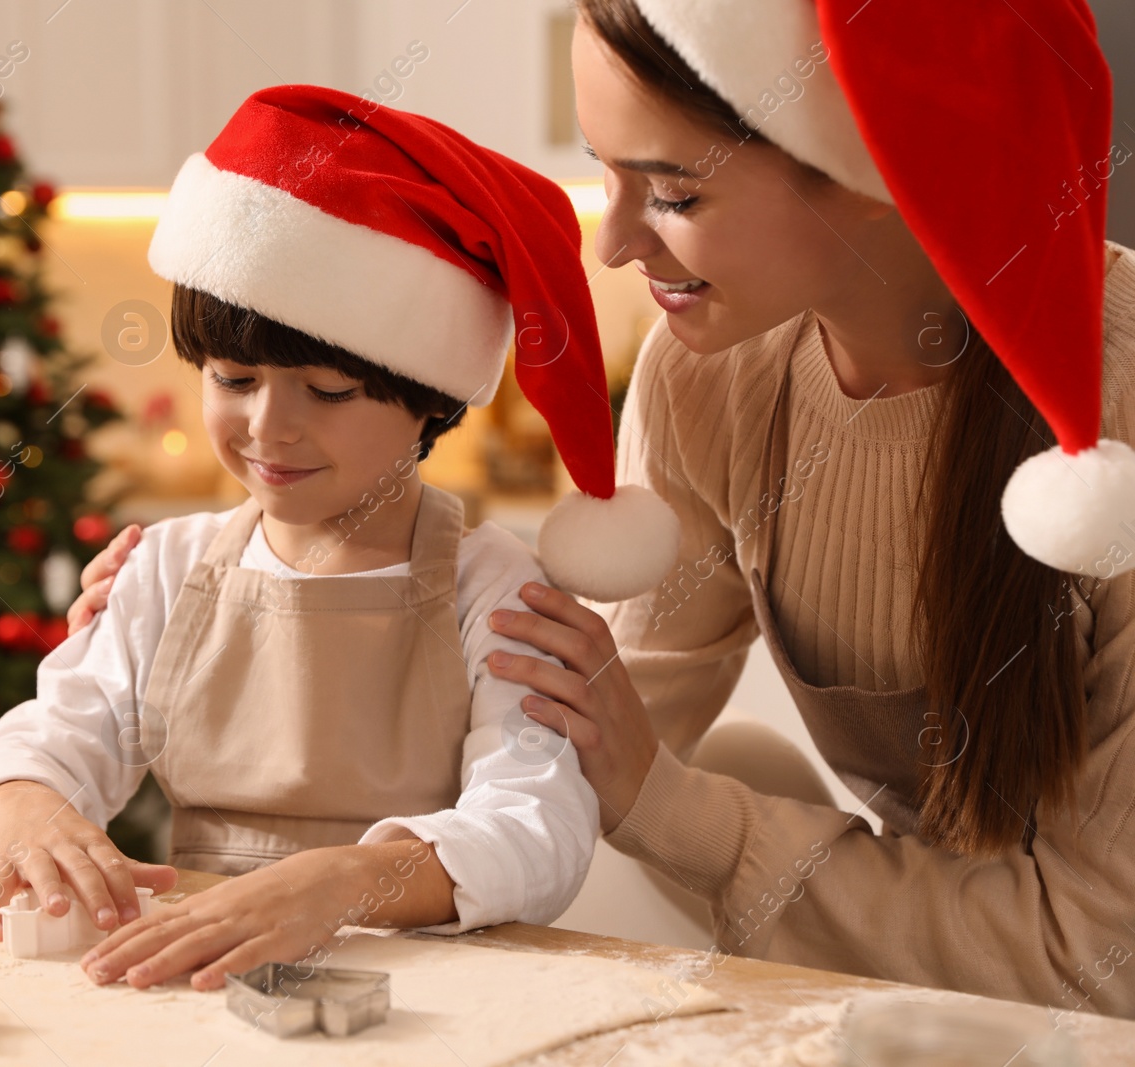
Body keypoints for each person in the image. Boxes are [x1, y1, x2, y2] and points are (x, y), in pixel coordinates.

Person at [70, 1, 1135, 1016]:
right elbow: (561, 753)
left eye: (672, 191)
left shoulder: (1114, 422)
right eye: (607, 176)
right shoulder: (706, 377)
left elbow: (1096, 958)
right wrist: (227, 621)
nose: (614, 240)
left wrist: (678, 809)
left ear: (870, 160)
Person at [0, 83, 680, 992]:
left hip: (426, 995)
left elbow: (536, 828)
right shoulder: (166, 570)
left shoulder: (490, 588)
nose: (268, 428)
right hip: (204, 989)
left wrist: (349, 882)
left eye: (326, 391)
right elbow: (53, 736)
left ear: (430, 396)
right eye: (233, 377)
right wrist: (23, 808)